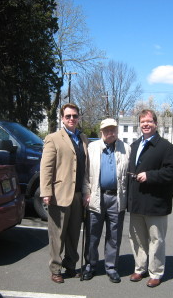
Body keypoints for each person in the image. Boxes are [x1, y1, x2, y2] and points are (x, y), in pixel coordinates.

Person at [127, 109, 173, 288]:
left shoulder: (165, 147)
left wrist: (150, 175)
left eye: (149, 121)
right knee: (137, 238)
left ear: (155, 124)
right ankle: (139, 268)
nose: (146, 124)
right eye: (142, 121)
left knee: (156, 240)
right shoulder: (134, 145)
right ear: (139, 124)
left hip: (156, 202)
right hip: (136, 202)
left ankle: (156, 272)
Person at [40, 103, 89, 284]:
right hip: (59, 194)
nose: (71, 119)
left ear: (78, 118)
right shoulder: (53, 138)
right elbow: (46, 167)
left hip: (77, 195)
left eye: (75, 116)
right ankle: (55, 269)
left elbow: (86, 166)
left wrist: (86, 192)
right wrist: (46, 191)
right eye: (68, 116)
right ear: (62, 118)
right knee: (57, 235)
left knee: (73, 234)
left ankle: (70, 265)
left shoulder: (83, 138)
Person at [82, 118, 131, 283]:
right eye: (107, 130)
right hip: (96, 196)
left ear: (117, 131)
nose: (111, 133)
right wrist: (85, 193)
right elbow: (85, 174)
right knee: (92, 234)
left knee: (114, 236)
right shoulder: (92, 148)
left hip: (116, 198)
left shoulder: (126, 148)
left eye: (113, 130)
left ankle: (111, 268)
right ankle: (90, 266)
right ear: (101, 131)